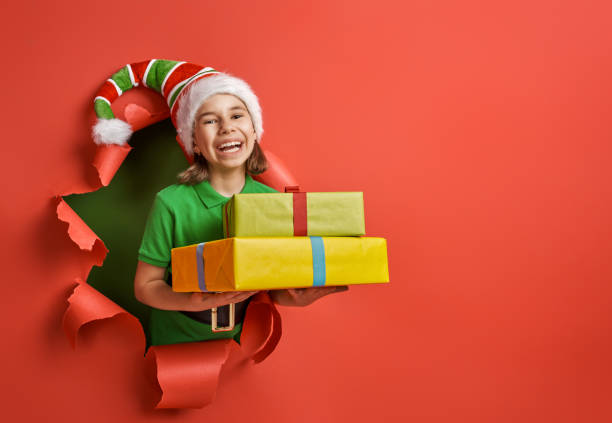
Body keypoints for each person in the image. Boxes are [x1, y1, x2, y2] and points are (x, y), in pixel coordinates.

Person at [88, 60, 347, 346]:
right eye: (210, 120)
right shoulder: (171, 202)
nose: (226, 127)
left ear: (253, 130)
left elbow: (269, 286)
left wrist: (295, 299)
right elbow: (146, 287)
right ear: (194, 141)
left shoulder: (273, 204)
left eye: (237, 116)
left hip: (237, 348)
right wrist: (190, 301)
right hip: (176, 344)